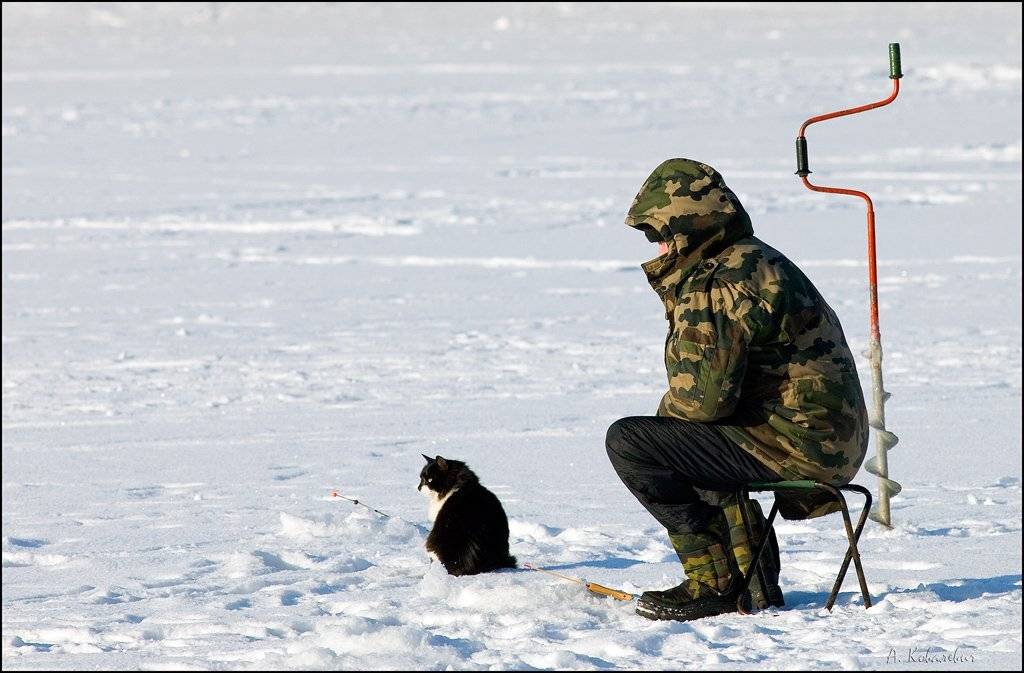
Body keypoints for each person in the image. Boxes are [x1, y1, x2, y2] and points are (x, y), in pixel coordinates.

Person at [606, 158, 869, 621]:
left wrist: (666, 424)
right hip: (827, 438)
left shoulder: (717, 280)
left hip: (799, 445)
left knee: (633, 442)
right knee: (679, 439)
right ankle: (751, 583)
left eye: (662, 232)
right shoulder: (751, 258)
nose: (660, 245)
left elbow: (702, 402)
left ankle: (716, 581)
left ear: (692, 225)